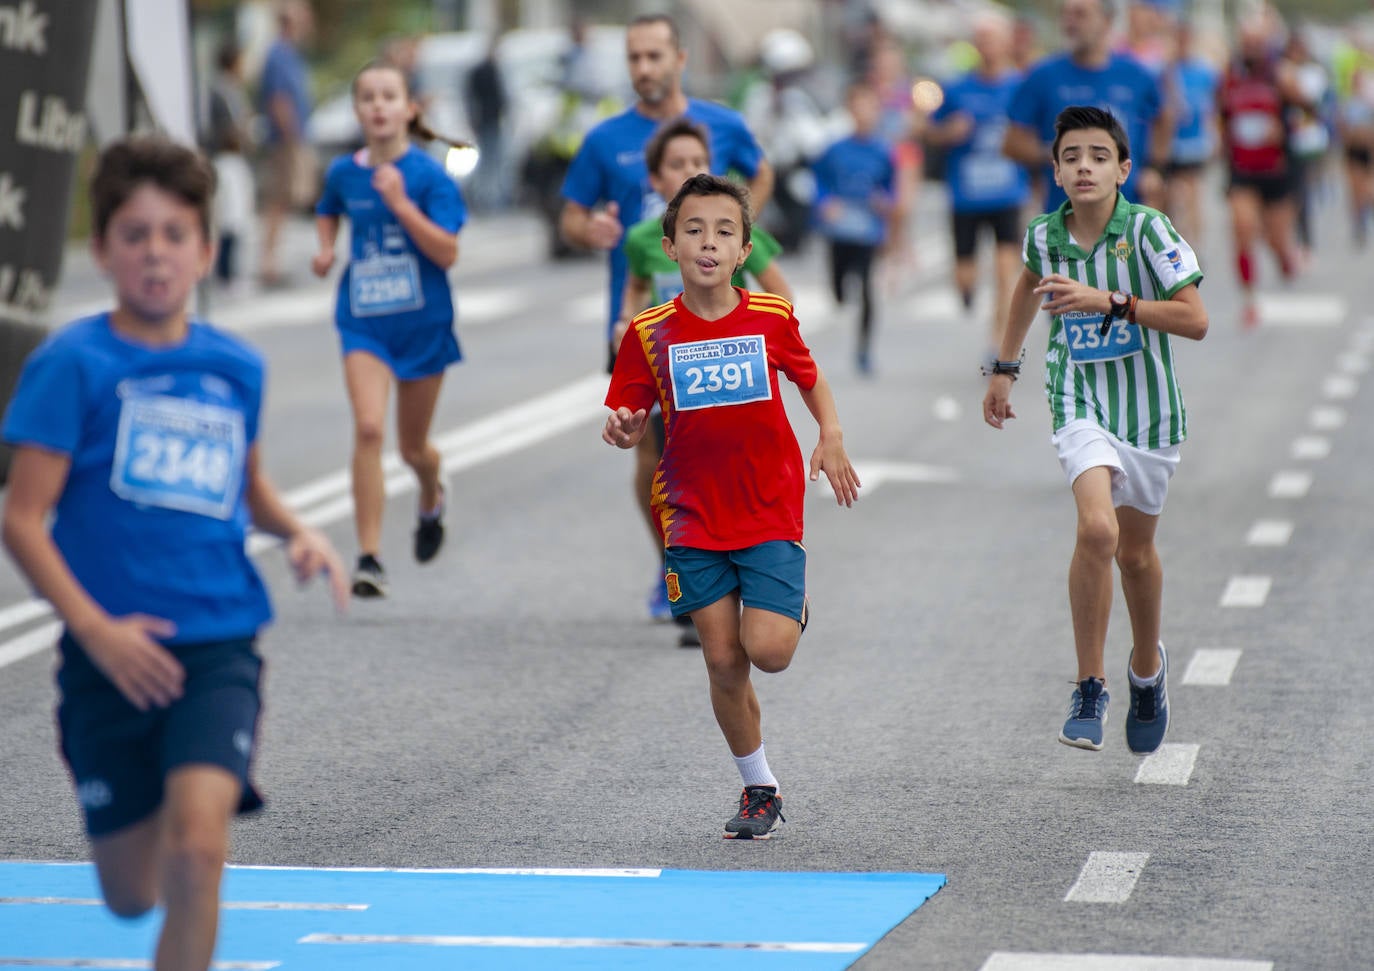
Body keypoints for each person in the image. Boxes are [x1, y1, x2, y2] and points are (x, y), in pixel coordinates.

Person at [0, 136, 348, 971]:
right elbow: (22, 517)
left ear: (202, 247)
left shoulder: (234, 366)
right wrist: (97, 631)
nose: (155, 252)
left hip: (217, 645)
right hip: (106, 661)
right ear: (103, 249)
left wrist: (296, 528)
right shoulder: (70, 365)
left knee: (199, 855)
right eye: (134, 233)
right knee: (131, 893)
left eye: (174, 233)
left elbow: (246, 484)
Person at [603, 173, 860, 837]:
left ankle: (785, 601)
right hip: (690, 512)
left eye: (723, 231)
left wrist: (830, 435)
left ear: (744, 249)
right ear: (670, 246)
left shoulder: (770, 316)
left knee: (768, 652)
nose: (708, 242)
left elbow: (811, 376)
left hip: (768, 504)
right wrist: (626, 424)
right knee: (721, 661)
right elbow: (627, 408)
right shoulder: (649, 330)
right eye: (693, 230)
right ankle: (759, 787)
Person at [982, 106, 1207, 754]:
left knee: (1135, 554)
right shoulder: (1045, 237)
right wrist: (1004, 367)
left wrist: (1111, 301)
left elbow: (1195, 320)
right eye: (1072, 156)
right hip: (1076, 396)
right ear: (1054, 172)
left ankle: (1146, 669)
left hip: (1150, 410)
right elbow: (1027, 285)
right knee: (1098, 528)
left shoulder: (1149, 231)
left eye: (1099, 156)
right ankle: (1089, 682)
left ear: (1123, 169)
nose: (1085, 165)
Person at [560, 13, 772, 638]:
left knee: (708, 446)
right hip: (641, 325)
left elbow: (761, 172)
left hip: (719, 323)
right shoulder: (606, 140)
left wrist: (743, 229)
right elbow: (571, 215)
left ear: (679, 59)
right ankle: (672, 567)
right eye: (634, 58)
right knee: (652, 454)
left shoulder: (725, 126)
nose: (643, 69)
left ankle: (718, 563)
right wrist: (588, 229)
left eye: (654, 56)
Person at [618, 118, 794, 627]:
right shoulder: (643, 239)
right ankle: (673, 563)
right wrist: (624, 322)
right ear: (656, 178)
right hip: (664, 366)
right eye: (677, 164)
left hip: (723, 368)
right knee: (658, 465)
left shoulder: (735, 234)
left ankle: (740, 569)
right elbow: (634, 288)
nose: (689, 171)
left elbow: (783, 296)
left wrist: (748, 330)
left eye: (698, 163)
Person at [311, 61, 468, 597]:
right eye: (368, 97)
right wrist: (328, 246)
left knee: (412, 448)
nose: (378, 106)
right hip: (364, 322)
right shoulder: (342, 172)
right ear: (358, 111)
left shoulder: (429, 177)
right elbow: (328, 208)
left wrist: (400, 203)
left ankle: (431, 495)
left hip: (424, 324)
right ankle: (370, 557)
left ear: (409, 109)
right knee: (370, 430)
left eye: (388, 96)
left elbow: (447, 252)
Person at [926, 12, 1032, 365]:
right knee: (965, 276)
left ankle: (997, 339)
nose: (987, 46)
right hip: (966, 196)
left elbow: (1036, 130)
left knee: (1006, 272)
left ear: (1005, 43)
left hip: (1007, 193)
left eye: (993, 39)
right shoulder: (957, 89)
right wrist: (949, 133)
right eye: (981, 39)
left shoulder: (1019, 86)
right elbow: (927, 130)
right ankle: (967, 288)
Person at [1004, 0, 1169, 212]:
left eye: (1080, 15)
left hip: (1126, 213)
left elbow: (1164, 117)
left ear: (1107, 21)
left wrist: (1154, 168)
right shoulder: (1042, 76)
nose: (1070, 23)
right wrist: (1061, 153)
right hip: (1065, 216)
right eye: (1066, 15)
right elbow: (1011, 143)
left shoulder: (1135, 74)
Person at [1218, 15, 1307, 329]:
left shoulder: (1281, 74)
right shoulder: (1230, 75)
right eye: (1247, 42)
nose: (1251, 48)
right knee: (1242, 229)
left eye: (1257, 42)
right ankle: (1249, 301)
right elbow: (1220, 114)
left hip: (1276, 170)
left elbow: (1309, 112)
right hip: (1242, 169)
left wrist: (1286, 128)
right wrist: (1221, 144)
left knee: (1276, 240)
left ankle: (1286, 258)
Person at [811, 82, 897, 374]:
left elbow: (891, 188)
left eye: (869, 107)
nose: (863, 114)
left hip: (868, 231)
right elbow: (818, 182)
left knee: (866, 290)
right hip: (839, 230)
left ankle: (863, 350)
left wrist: (884, 202)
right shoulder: (835, 149)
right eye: (858, 107)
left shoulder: (884, 151)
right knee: (839, 286)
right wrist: (825, 203)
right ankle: (837, 290)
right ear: (850, 111)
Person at [257, 0, 315, 288]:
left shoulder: (292, 54)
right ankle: (268, 264)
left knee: (285, 202)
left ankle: (273, 261)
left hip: (292, 137)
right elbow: (279, 100)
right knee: (277, 201)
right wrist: (291, 138)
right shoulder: (279, 54)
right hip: (284, 140)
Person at [1160, 19, 1220, 245]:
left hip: (1194, 142)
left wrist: (1214, 135)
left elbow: (1212, 107)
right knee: (1170, 196)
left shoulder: (1204, 72)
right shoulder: (1164, 71)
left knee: (1192, 193)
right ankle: (1173, 239)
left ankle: (1193, 244)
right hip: (1169, 143)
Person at [203, 40, 255, 292]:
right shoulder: (220, 91)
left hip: (235, 158)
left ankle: (229, 269)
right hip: (225, 159)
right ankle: (224, 271)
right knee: (229, 216)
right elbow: (226, 129)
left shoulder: (233, 90)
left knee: (238, 216)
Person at [464, 34, 509, 211]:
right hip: (486, 121)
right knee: (488, 161)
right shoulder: (483, 71)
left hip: (492, 120)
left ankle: (491, 197)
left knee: (494, 160)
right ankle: (484, 197)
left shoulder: (494, 69)